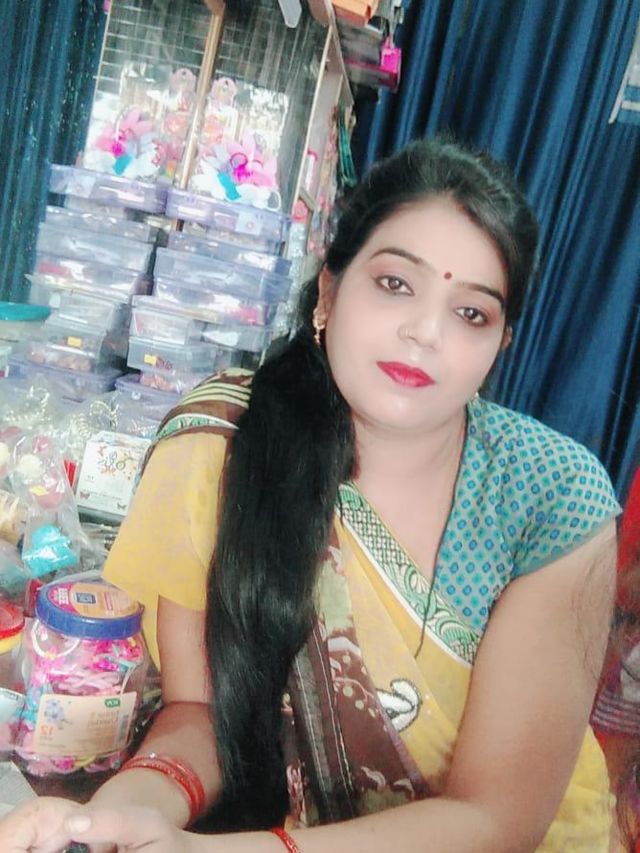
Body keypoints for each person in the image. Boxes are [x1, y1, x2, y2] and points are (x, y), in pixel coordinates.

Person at [0, 136, 621, 852]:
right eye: (395, 283)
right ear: (328, 291)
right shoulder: (224, 445)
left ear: (500, 345)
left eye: (471, 313)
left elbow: (495, 818)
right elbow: (201, 713)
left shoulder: (551, 494)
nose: (425, 332)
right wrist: (114, 816)